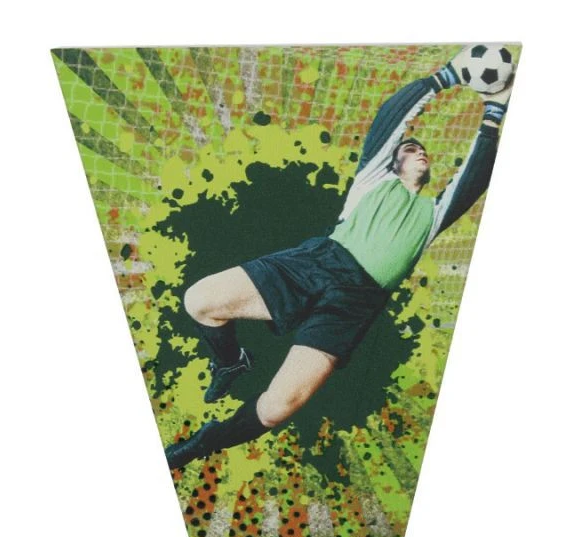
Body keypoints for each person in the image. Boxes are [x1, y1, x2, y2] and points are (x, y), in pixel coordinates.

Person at [165, 51, 512, 470]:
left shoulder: (432, 214)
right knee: (200, 300)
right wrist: (446, 76)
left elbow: (474, 175)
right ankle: (231, 362)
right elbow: (391, 118)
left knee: (279, 407)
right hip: (319, 263)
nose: (420, 153)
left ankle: (203, 442)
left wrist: (494, 112)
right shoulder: (373, 179)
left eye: (424, 153)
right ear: (394, 160)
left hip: (356, 304)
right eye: (411, 148)